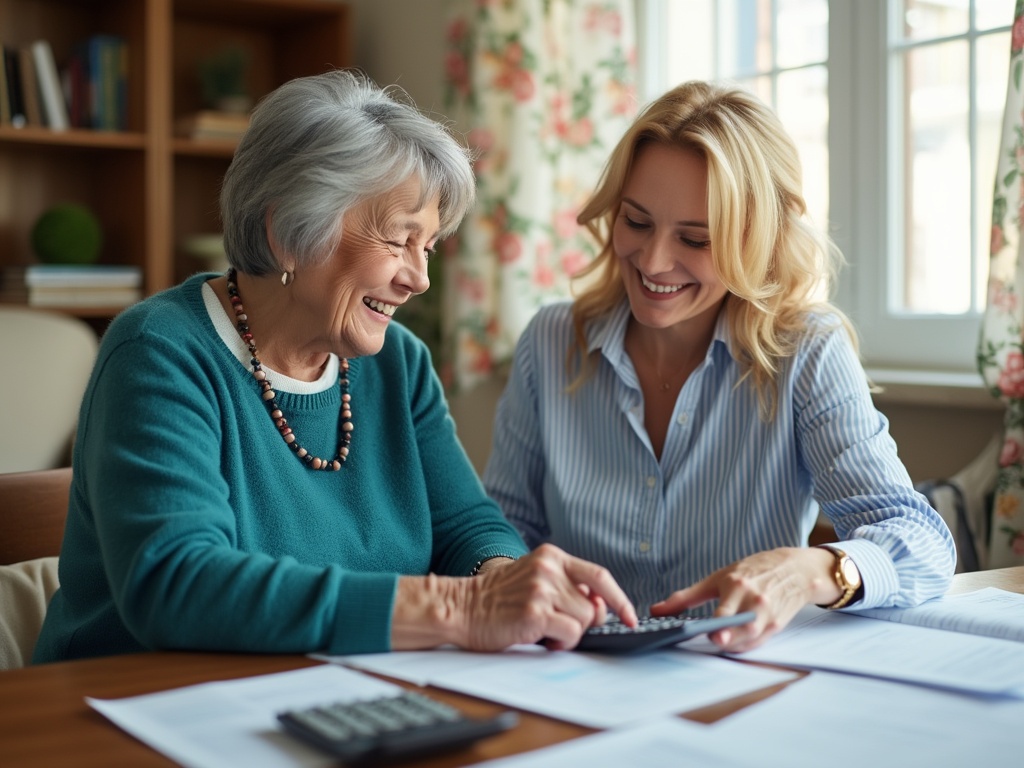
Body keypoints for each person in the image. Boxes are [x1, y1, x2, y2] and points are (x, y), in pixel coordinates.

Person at [33, 70, 635, 664]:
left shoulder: (399, 364)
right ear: (292, 233)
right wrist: (462, 610)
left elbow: (466, 525)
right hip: (129, 711)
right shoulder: (160, 352)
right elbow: (176, 583)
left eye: (427, 248)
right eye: (400, 240)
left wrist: (503, 578)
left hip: (328, 694)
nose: (418, 279)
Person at [483, 80, 956, 653]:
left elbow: (923, 543)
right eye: (635, 221)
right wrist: (505, 575)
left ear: (759, 240)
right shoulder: (551, 342)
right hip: (570, 671)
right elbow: (501, 529)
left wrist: (808, 572)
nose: (655, 261)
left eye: (696, 239)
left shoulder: (805, 352)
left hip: (736, 684)